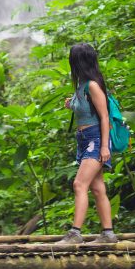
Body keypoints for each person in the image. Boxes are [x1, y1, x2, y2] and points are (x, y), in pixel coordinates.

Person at [56, 43, 118, 244]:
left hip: (95, 139)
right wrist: (71, 104)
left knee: (79, 184)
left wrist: (103, 146)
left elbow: (104, 117)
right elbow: (85, 109)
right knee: (98, 188)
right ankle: (108, 234)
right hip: (84, 140)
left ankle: (75, 233)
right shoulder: (81, 86)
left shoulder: (92, 85)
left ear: (78, 62)